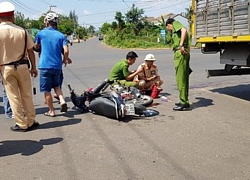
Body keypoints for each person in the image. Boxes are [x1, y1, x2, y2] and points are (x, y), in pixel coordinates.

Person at [0, 1, 39, 131]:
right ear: (12, 16)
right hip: (22, 66)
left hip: (5, 68)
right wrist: (33, 67)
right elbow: (30, 50)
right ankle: (31, 120)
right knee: (27, 94)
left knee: (13, 96)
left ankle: (21, 124)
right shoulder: (22, 31)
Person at [33, 12, 71, 117]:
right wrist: (65, 59)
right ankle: (62, 100)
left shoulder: (40, 34)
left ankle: (51, 111)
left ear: (47, 22)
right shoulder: (61, 35)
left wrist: (37, 47)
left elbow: (36, 47)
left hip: (45, 65)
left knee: (46, 90)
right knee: (56, 85)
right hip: (57, 66)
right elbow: (66, 51)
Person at [165, 18, 191, 111]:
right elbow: (188, 45)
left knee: (180, 79)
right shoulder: (177, 30)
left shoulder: (175, 23)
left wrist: (180, 45)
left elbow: (184, 30)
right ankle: (185, 101)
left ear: (169, 24)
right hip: (183, 54)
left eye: (169, 28)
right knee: (184, 78)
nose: (170, 30)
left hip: (180, 53)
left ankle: (183, 102)